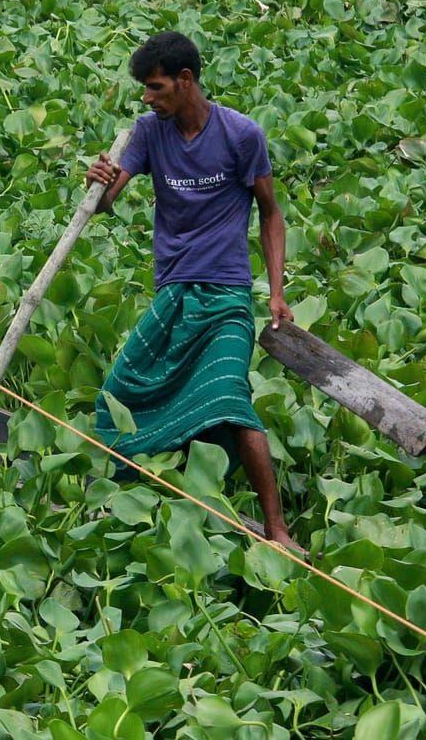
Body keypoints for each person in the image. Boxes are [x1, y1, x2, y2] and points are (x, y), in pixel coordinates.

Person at [85, 31, 302, 553]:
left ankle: (277, 528)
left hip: (227, 295)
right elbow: (106, 203)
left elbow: (270, 215)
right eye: (144, 88)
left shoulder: (241, 135)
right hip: (174, 290)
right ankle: (137, 494)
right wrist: (98, 182)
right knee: (121, 391)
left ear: (185, 80)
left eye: (156, 87)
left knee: (229, 396)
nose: (147, 98)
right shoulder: (148, 132)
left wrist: (276, 293)